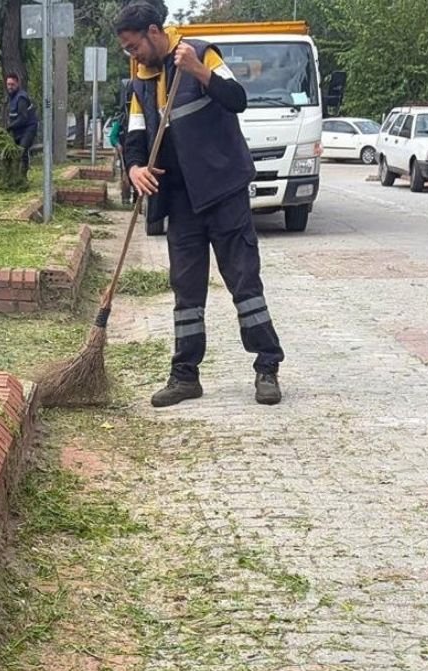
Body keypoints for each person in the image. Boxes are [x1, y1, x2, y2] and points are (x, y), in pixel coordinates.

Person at [114, 2, 285, 407]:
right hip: (181, 200)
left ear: (154, 32)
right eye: (126, 49)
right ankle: (185, 376)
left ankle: (267, 367)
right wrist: (135, 168)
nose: (132, 55)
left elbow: (237, 99)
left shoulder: (201, 53)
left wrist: (198, 71)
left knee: (244, 283)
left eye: (134, 46)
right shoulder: (141, 81)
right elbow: (135, 136)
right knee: (186, 291)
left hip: (223, 191)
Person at [4, 73, 38, 175]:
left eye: (12, 84)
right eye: (8, 84)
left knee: (21, 151)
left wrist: (9, 127)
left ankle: (22, 177)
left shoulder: (21, 98)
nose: (10, 87)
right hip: (18, 130)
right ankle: (14, 175)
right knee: (14, 152)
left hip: (28, 128)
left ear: (17, 83)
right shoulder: (11, 97)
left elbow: (23, 118)